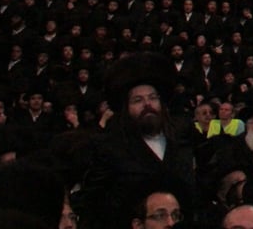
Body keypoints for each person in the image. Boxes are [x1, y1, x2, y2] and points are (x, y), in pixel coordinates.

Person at [81, 54, 197, 229]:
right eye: (138, 100)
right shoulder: (109, 149)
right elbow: (93, 205)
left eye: (153, 98)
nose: (147, 104)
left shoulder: (181, 144)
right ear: (126, 109)